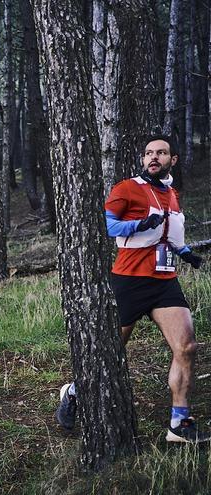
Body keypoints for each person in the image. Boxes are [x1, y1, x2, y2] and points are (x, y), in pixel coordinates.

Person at [55, 135, 206, 443]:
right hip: (130, 281)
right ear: (143, 159)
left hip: (165, 283)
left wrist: (186, 252)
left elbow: (169, 236)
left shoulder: (173, 195)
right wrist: (137, 225)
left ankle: (179, 423)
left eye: (161, 152)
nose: (154, 157)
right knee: (111, 349)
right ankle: (73, 392)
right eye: (149, 153)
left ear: (172, 160)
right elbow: (107, 226)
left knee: (186, 347)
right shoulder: (127, 189)